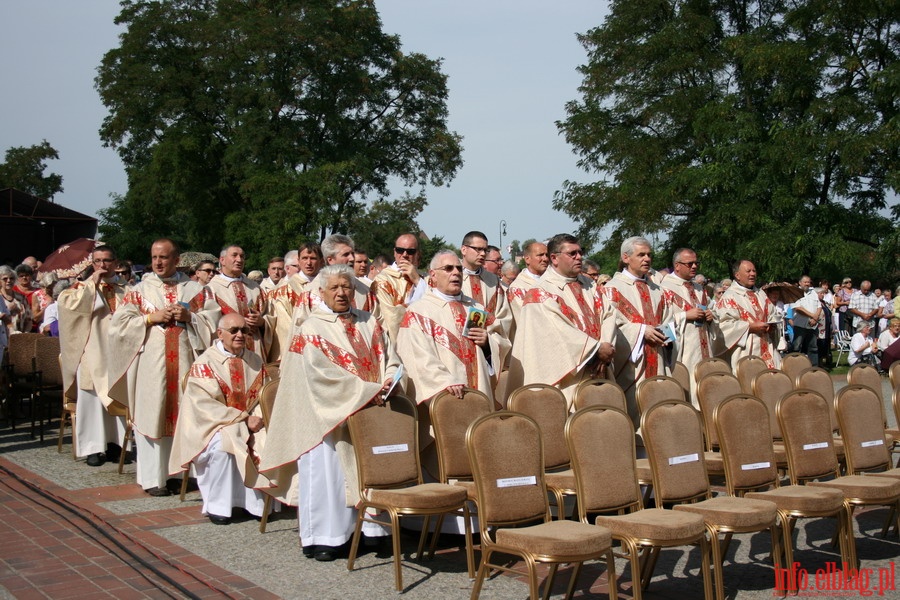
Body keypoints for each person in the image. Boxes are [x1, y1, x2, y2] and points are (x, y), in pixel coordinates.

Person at [259, 264, 397, 561]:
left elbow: (390, 356)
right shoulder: (311, 328)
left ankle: (372, 533)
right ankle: (326, 538)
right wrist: (365, 391)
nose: (341, 292)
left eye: (346, 286)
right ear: (320, 292)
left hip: (368, 412)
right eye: (334, 287)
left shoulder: (369, 322)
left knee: (368, 470)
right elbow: (319, 376)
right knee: (329, 476)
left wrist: (391, 377)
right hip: (325, 418)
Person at [108, 239, 219, 497]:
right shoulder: (139, 290)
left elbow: (214, 321)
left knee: (184, 414)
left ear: (176, 259)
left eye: (164, 257)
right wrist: (149, 318)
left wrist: (191, 317)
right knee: (152, 414)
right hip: (152, 365)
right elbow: (118, 326)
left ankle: (181, 475)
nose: (158, 262)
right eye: (154, 257)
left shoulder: (194, 289)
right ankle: (153, 478)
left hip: (184, 363)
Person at [169, 313, 271, 525]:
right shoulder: (205, 363)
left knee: (267, 441)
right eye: (234, 331)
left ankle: (257, 505)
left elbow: (265, 396)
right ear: (220, 334)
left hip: (252, 421)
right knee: (223, 448)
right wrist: (241, 419)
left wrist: (257, 419)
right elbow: (202, 405)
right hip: (214, 425)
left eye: (244, 330)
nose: (240, 335)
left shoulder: (254, 360)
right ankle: (219, 506)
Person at [509, 234, 615, 406]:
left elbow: (608, 314)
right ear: (554, 258)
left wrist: (605, 348)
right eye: (572, 253)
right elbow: (555, 333)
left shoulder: (591, 286)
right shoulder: (540, 292)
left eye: (580, 252)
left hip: (601, 369)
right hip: (569, 379)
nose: (579, 257)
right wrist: (595, 350)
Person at [397, 250, 506, 406]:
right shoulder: (418, 312)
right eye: (448, 268)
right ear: (433, 275)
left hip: (480, 392)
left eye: (459, 268)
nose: (456, 272)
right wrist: (444, 381)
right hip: (444, 395)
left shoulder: (476, 307)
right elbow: (416, 357)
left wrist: (487, 343)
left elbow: (501, 342)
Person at [58, 245, 131, 467]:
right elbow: (67, 308)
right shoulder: (80, 288)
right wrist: (92, 285)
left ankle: (115, 444)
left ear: (115, 262)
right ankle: (92, 448)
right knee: (90, 400)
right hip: (90, 351)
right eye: (97, 261)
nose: (102, 265)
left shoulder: (125, 289)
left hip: (117, 353)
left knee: (117, 396)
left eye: (107, 261)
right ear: (92, 263)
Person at [606, 236, 675, 425]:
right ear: (626, 258)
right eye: (641, 255)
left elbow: (669, 320)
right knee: (636, 416)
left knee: (661, 413)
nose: (647, 259)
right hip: (632, 365)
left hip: (658, 359)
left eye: (649, 255)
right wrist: (640, 330)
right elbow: (609, 327)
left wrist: (667, 336)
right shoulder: (612, 289)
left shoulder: (658, 290)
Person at [659, 248, 715, 406]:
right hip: (682, 352)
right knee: (687, 394)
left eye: (696, 263)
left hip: (705, 350)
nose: (694, 267)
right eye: (690, 263)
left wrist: (711, 317)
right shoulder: (664, 288)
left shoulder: (699, 288)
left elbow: (712, 311)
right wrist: (685, 316)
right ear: (677, 265)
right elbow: (661, 322)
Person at [713, 259, 782, 369]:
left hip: (767, 347)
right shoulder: (729, 297)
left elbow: (772, 313)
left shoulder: (761, 294)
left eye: (754, 271)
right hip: (745, 350)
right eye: (748, 271)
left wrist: (773, 324)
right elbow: (722, 326)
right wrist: (749, 327)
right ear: (737, 275)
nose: (752, 274)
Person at [266, 242, 323, 361]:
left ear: (321, 261)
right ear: (299, 260)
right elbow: (284, 328)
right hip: (295, 349)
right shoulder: (283, 291)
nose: (308, 263)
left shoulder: (329, 287)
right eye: (304, 258)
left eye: (313, 258)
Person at [207, 245, 266, 359]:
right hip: (227, 351)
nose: (239, 260)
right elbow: (207, 323)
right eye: (234, 255)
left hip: (256, 348)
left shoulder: (255, 288)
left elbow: (271, 317)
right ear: (222, 260)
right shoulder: (211, 289)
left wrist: (262, 322)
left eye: (242, 256)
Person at [459, 231, 512, 352]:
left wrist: (488, 338)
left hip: (486, 348)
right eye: (478, 249)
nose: (482, 254)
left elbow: (505, 318)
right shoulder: (452, 277)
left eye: (485, 250)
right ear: (464, 250)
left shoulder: (494, 282)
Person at [371, 233, 427, 341]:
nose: (405, 254)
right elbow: (390, 318)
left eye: (411, 251)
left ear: (418, 254)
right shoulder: (383, 280)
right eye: (400, 250)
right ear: (394, 252)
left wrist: (417, 280)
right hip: (398, 341)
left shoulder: (426, 279)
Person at [506, 241, 549, 324]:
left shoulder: (552, 281)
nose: (545, 259)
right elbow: (524, 320)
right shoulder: (517, 289)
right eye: (540, 255)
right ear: (527, 259)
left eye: (547, 255)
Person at [791, 275, 821, 364]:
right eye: (805, 282)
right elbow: (798, 308)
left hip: (812, 325)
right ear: (800, 283)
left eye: (808, 282)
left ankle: (814, 367)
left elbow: (819, 306)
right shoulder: (795, 292)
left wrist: (815, 318)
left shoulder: (813, 292)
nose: (807, 284)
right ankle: (794, 366)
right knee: (797, 346)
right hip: (800, 324)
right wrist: (812, 315)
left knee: (813, 347)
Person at [0, 265, 32, 335]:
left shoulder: (21, 298)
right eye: (5, 279)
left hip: (19, 337)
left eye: (11, 278)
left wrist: (25, 334)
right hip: (3, 338)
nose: (9, 281)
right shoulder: (0, 298)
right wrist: (8, 310)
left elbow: (29, 320)